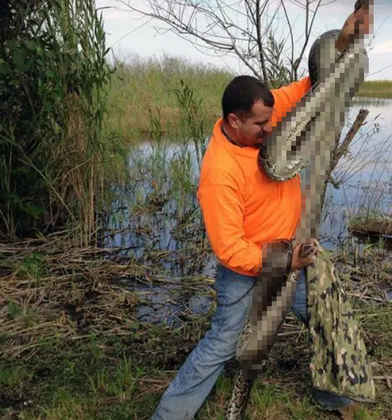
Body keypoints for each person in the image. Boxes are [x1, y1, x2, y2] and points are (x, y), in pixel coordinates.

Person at [151, 5, 372, 419]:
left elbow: (317, 84)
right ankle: (168, 416)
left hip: (294, 253)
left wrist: (343, 40)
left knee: (326, 318)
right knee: (220, 345)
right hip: (247, 273)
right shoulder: (219, 173)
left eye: (272, 121)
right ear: (234, 122)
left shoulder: (267, 115)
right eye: (260, 126)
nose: (272, 130)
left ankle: (334, 398)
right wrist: (283, 260)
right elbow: (230, 250)